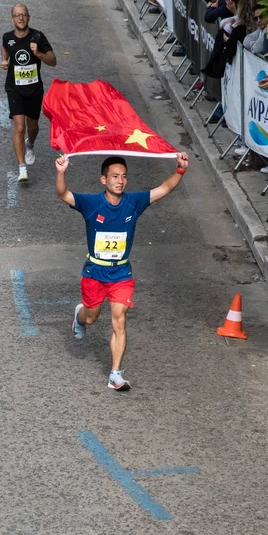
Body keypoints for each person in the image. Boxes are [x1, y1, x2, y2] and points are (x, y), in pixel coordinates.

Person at [56, 152, 189, 391]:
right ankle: (79, 316)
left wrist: (180, 170)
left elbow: (163, 189)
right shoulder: (91, 203)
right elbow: (63, 193)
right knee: (92, 317)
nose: (120, 181)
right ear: (103, 180)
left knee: (120, 320)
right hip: (94, 273)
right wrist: (61, 172)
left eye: (124, 176)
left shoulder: (133, 202)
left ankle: (115, 374)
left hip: (121, 275)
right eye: (115, 176)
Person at [1, 4, 57, 183]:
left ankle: (30, 144)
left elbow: (53, 61)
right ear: (12, 19)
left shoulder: (37, 36)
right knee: (19, 127)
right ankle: (22, 168)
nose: (20, 18)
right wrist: (4, 60)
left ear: (28, 17)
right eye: (17, 15)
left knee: (32, 126)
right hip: (14, 88)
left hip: (34, 89)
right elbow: (5, 47)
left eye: (23, 15)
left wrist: (38, 53)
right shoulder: (8, 38)